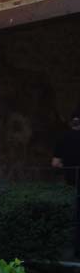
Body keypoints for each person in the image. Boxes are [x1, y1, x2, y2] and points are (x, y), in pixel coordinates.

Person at [52, 106, 80, 256]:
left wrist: (67, 166)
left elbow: (55, 163)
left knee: (73, 216)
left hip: (70, 182)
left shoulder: (63, 138)